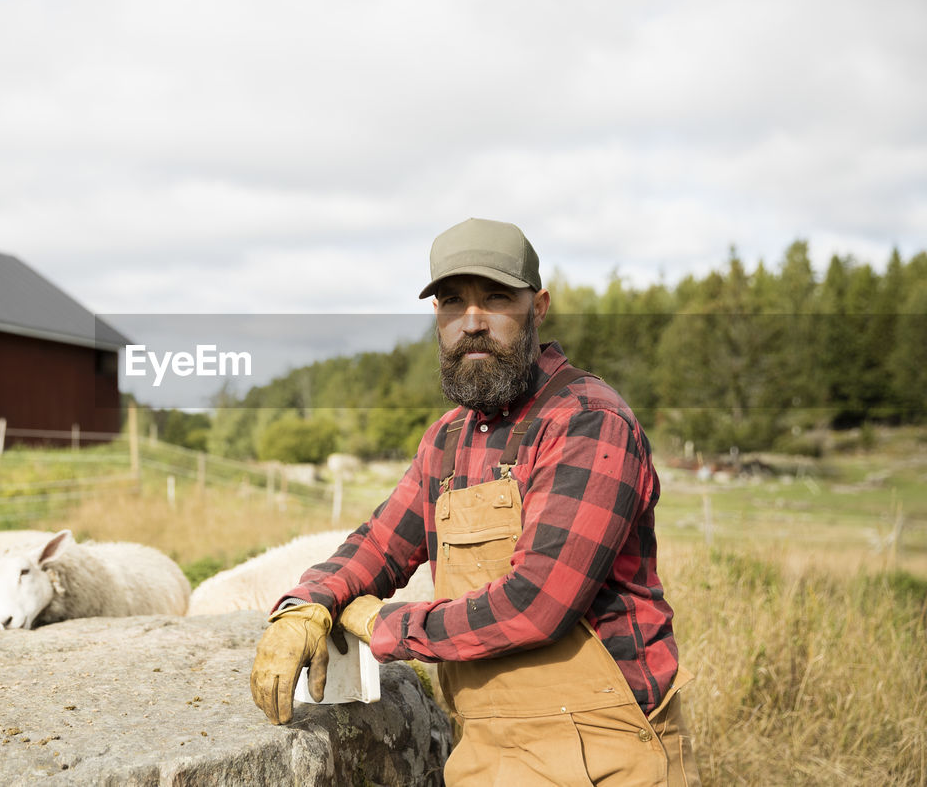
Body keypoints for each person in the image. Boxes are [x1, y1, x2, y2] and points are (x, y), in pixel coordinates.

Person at [249, 218, 700, 786]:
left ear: (538, 308)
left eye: (496, 299)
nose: (472, 322)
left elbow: (536, 603)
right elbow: (381, 544)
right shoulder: (447, 439)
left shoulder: (587, 421)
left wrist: (384, 624)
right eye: (451, 302)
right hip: (485, 752)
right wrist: (305, 606)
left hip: (604, 752)